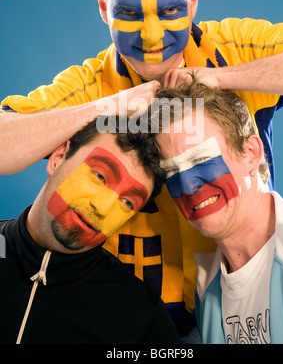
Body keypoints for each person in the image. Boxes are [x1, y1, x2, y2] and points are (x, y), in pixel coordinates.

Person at [0, 0, 283, 336]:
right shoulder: (88, 85)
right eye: (129, 12)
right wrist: (105, 107)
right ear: (104, 8)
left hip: (245, 291)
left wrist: (222, 78)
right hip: (125, 321)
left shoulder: (229, 48)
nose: (153, 35)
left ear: (193, 3)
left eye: (171, 10)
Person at [0, 115, 180, 344]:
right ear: (58, 157)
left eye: (127, 202)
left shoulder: (143, 317)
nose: (103, 208)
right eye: (99, 176)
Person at [154, 79, 283, 344]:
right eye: (171, 172)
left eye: (200, 159)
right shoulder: (206, 291)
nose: (187, 185)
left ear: (251, 153)